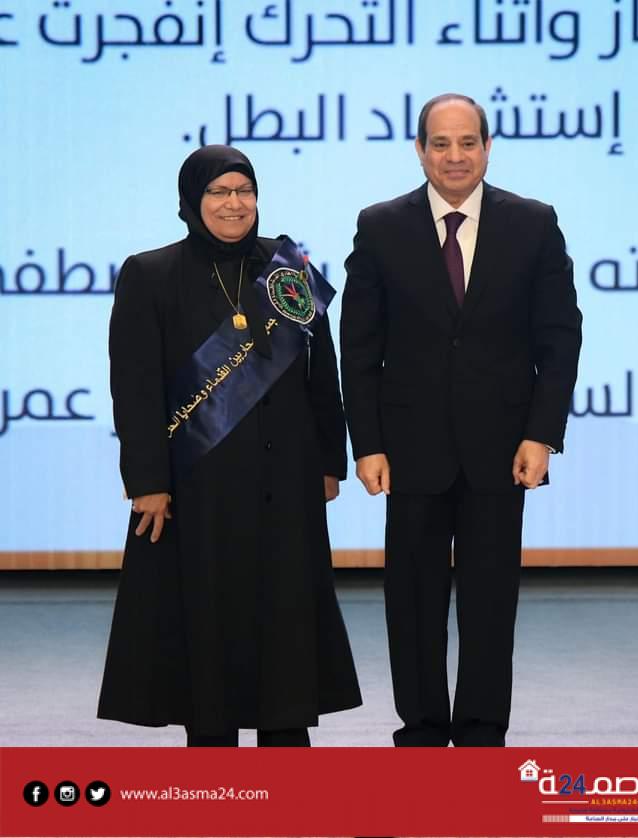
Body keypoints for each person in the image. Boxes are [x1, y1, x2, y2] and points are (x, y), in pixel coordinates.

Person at [98, 144, 361, 747]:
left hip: (286, 482)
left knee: (286, 625)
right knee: (209, 628)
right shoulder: (151, 274)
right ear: (192, 201)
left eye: (244, 190)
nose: (233, 203)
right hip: (199, 487)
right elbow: (134, 389)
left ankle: (286, 759)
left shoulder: (287, 267)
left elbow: (322, 372)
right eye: (218, 192)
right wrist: (147, 483)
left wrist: (328, 460)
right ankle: (215, 769)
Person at [340, 93, 581, 747]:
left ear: (487, 147)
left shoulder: (533, 223)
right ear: (419, 150)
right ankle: (420, 730)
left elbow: (560, 337)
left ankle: (481, 732)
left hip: (502, 448)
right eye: (440, 144)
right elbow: (359, 346)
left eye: (467, 142)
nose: (455, 156)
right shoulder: (380, 226)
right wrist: (367, 444)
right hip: (409, 449)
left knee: (491, 600)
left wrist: (541, 433)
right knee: (412, 601)